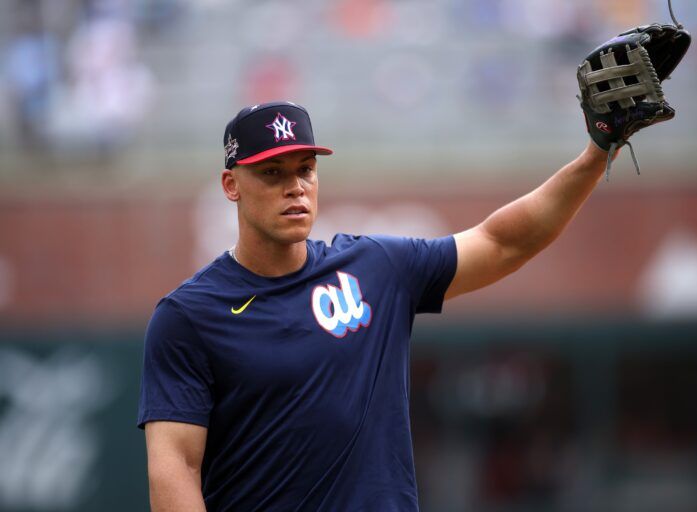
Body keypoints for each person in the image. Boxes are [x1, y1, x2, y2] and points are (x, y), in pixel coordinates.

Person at [137, 100, 621, 511]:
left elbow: (502, 243)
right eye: (271, 172)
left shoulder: (375, 269)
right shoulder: (188, 316)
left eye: (305, 169)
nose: (295, 187)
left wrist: (597, 153)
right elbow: (175, 469)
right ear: (231, 185)